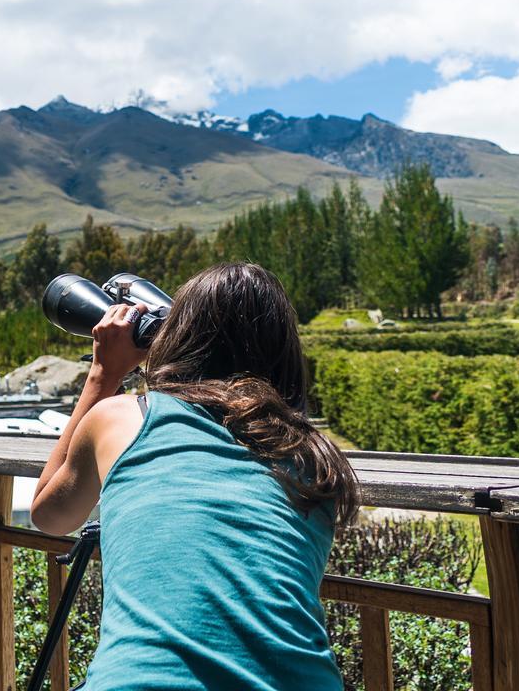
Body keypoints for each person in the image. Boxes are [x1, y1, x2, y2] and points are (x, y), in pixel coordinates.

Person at [31, 262, 359, 690]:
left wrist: (104, 373)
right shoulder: (316, 457)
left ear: (179, 341)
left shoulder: (122, 418)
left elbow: (49, 515)